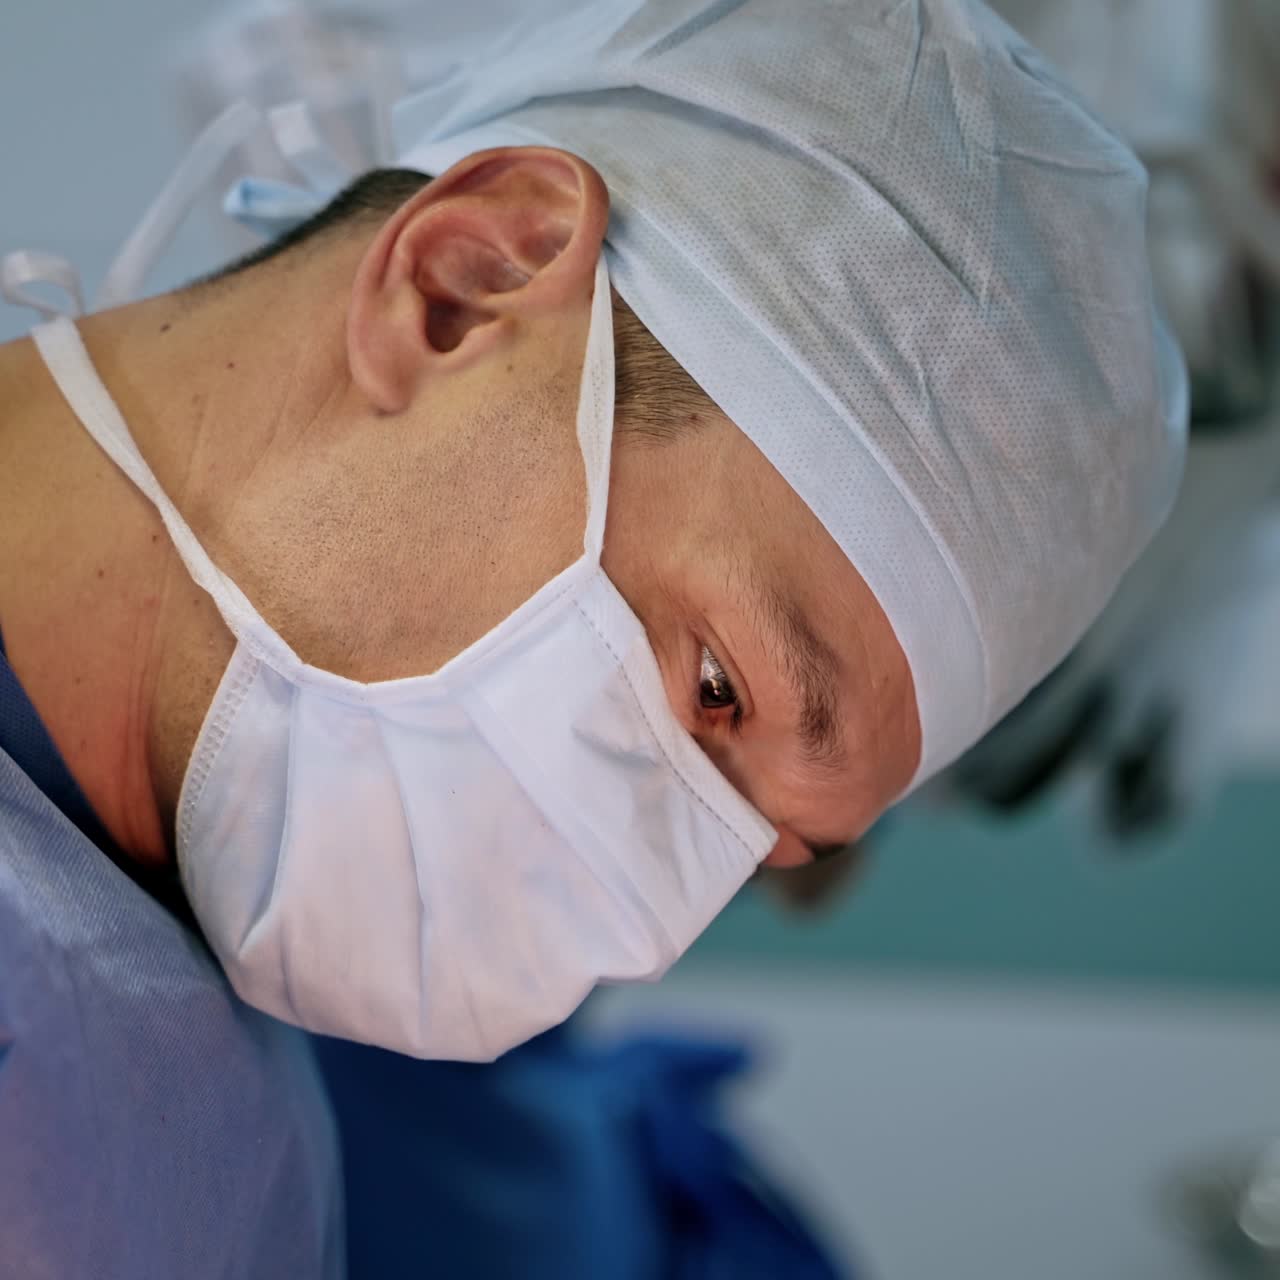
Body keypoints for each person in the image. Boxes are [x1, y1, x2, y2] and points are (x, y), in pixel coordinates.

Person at [0, 0, 1184, 1271]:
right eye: (720, 689)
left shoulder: (220, 1149)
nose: (646, 931)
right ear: (466, 282)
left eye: (764, 844)